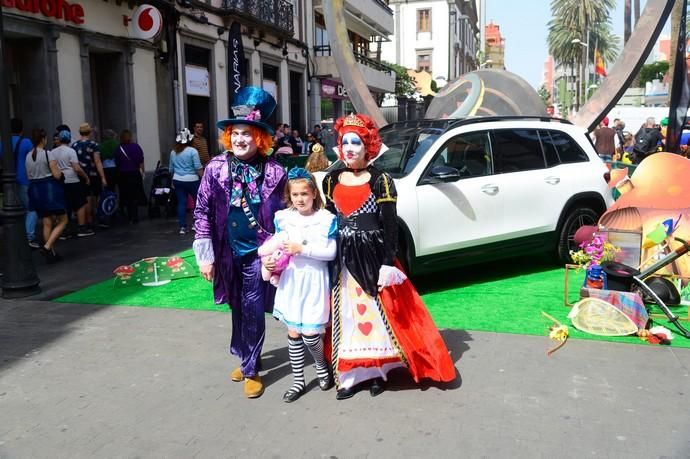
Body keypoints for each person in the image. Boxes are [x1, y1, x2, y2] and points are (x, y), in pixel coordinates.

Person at [322, 113, 456, 400]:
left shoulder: (380, 180)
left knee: (375, 313)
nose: (349, 148)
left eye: (355, 142)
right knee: (347, 314)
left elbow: (390, 225)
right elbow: (330, 220)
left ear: (368, 146)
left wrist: (386, 262)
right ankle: (352, 373)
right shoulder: (332, 179)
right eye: (344, 142)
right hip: (343, 260)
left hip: (371, 256)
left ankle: (378, 372)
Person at [193, 86, 287, 399]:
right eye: (235, 134)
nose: (240, 140)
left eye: (246, 134)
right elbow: (203, 211)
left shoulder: (275, 171)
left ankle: (251, 368)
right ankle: (246, 353)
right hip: (225, 251)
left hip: (259, 253)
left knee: (252, 305)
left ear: (259, 138)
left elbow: (285, 216)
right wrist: (205, 255)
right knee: (236, 304)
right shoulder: (215, 168)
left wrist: (282, 251)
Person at [268, 167, 337, 402]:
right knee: (294, 331)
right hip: (292, 281)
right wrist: (270, 262)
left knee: (310, 334)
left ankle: (320, 364)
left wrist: (302, 249)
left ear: (314, 194)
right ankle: (298, 380)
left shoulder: (326, 219)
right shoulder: (283, 218)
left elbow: (330, 253)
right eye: (295, 195)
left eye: (304, 194)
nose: (300, 199)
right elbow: (276, 247)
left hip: (315, 282)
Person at [25, 128, 68, 262]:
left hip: (36, 190)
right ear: (44, 139)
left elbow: (29, 176)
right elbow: (56, 175)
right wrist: (61, 173)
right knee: (63, 220)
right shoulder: (47, 154)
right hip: (49, 190)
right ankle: (47, 247)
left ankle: (51, 253)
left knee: (47, 221)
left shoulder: (28, 155)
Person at [53, 129, 90, 241]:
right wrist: (86, 177)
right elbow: (76, 168)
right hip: (73, 180)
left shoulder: (53, 152)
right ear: (69, 139)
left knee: (65, 206)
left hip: (60, 181)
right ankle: (81, 228)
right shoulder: (71, 151)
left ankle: (64, 230)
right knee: (80, 204)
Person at [10, 118, 39, 248]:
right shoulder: (26, 142)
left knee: (16, 210)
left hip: (9, 182)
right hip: (24, 179)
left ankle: (17, 237)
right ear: (22, 129)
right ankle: (29, 236)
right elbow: (34, 159)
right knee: (31, 208)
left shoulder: (2, 142)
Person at [72, 123, 105, 233]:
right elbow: (97, 162)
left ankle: (84, 221)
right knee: (91, 197)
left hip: (80, 175)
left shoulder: (75, 145)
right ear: (89, 132)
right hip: (92, 174)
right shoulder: (93, 145)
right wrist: (103, 177)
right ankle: (90, 220)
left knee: (83, 198)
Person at [169, 128, 202, 235]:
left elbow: (171, 169)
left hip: (178, 180)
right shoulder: (193, 151)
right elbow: (198, 167)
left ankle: (182, 227)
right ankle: (196, 224)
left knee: (181, 203)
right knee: (198, 202)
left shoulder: (173, 152)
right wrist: (203, 178)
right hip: (192, 180)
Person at [115, 129, 145, 224]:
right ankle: (135, 216)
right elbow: (141, 160)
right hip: (134, 173)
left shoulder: (118, 148)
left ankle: (129, 216)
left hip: (123, 174)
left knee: (126, 195)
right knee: (134, 195)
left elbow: (117, 162)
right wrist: (142, 172)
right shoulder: (136, 147)